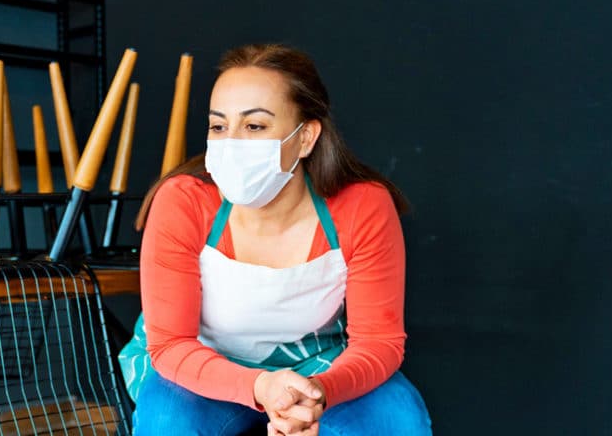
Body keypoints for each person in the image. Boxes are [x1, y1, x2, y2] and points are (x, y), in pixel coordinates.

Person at [123, 43, 432, 435]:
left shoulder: (363, 206)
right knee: (166, 422)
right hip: (201, 368)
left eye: (254, 126)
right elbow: (171, 345)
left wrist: (317, 394)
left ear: (306, 138)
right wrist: (259, 386)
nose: (230, 142)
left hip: (322, 369)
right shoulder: (183, 201)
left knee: (397, 420)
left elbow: (378, 342)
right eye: (219, 126)